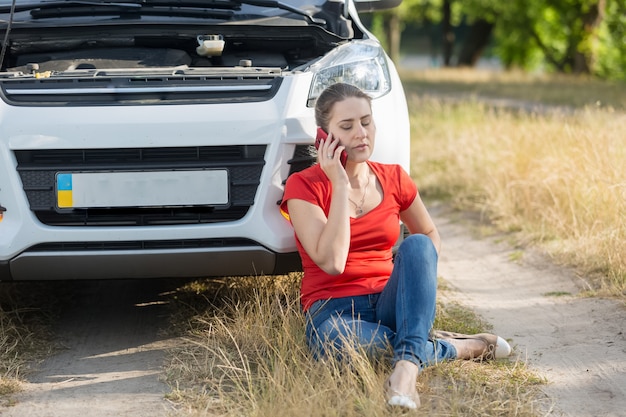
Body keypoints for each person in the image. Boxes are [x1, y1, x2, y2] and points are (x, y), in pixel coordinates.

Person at [279, 83, 511, 410]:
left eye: (366, 121)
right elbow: (332, 262)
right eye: (346, 126)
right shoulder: (303, 186)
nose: (361, 133)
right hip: (334, 312)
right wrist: (340, 185)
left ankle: (405, 371)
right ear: (324, 137)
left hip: (391, 301)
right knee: (347, 343)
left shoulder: (394, 178)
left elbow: (430, 235)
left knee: (417, 245)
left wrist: (416, 284)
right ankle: (453, 347)